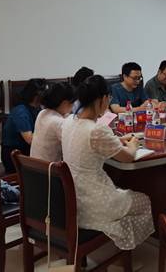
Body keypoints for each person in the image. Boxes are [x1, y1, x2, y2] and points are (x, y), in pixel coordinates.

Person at [62, 75, 154, 250]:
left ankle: (119, 243)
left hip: (71, 200)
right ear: (103, 99)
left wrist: (116, 140)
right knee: (144, 200)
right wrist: (133, 144)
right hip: (95, 203)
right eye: (109, 98)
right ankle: (125, 245)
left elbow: (87, 144)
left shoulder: (67, 121)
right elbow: (128, 157)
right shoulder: (97, 129)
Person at [1, 78, 46, 173]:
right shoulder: (21, 111)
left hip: (24, 150)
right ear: (37, 96)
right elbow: (29, 139)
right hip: (14, 156)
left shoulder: (36, 108)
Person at [31, 82, 75, 162]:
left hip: (34, 165)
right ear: (65, 103)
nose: (73, 107)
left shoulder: (42, 113)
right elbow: (72, 145)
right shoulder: (57, 122)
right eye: (72, 103)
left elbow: (66, 116)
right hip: (49, 168)